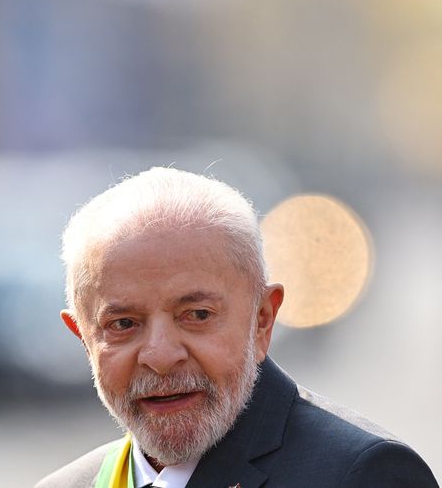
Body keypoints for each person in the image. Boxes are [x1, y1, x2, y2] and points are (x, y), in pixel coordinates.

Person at [36, 167, 438, 488]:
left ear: (262, 320)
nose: (160, 356)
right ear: (83, 339)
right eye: (123, 324)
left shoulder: (361, 475)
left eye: (197, 315)